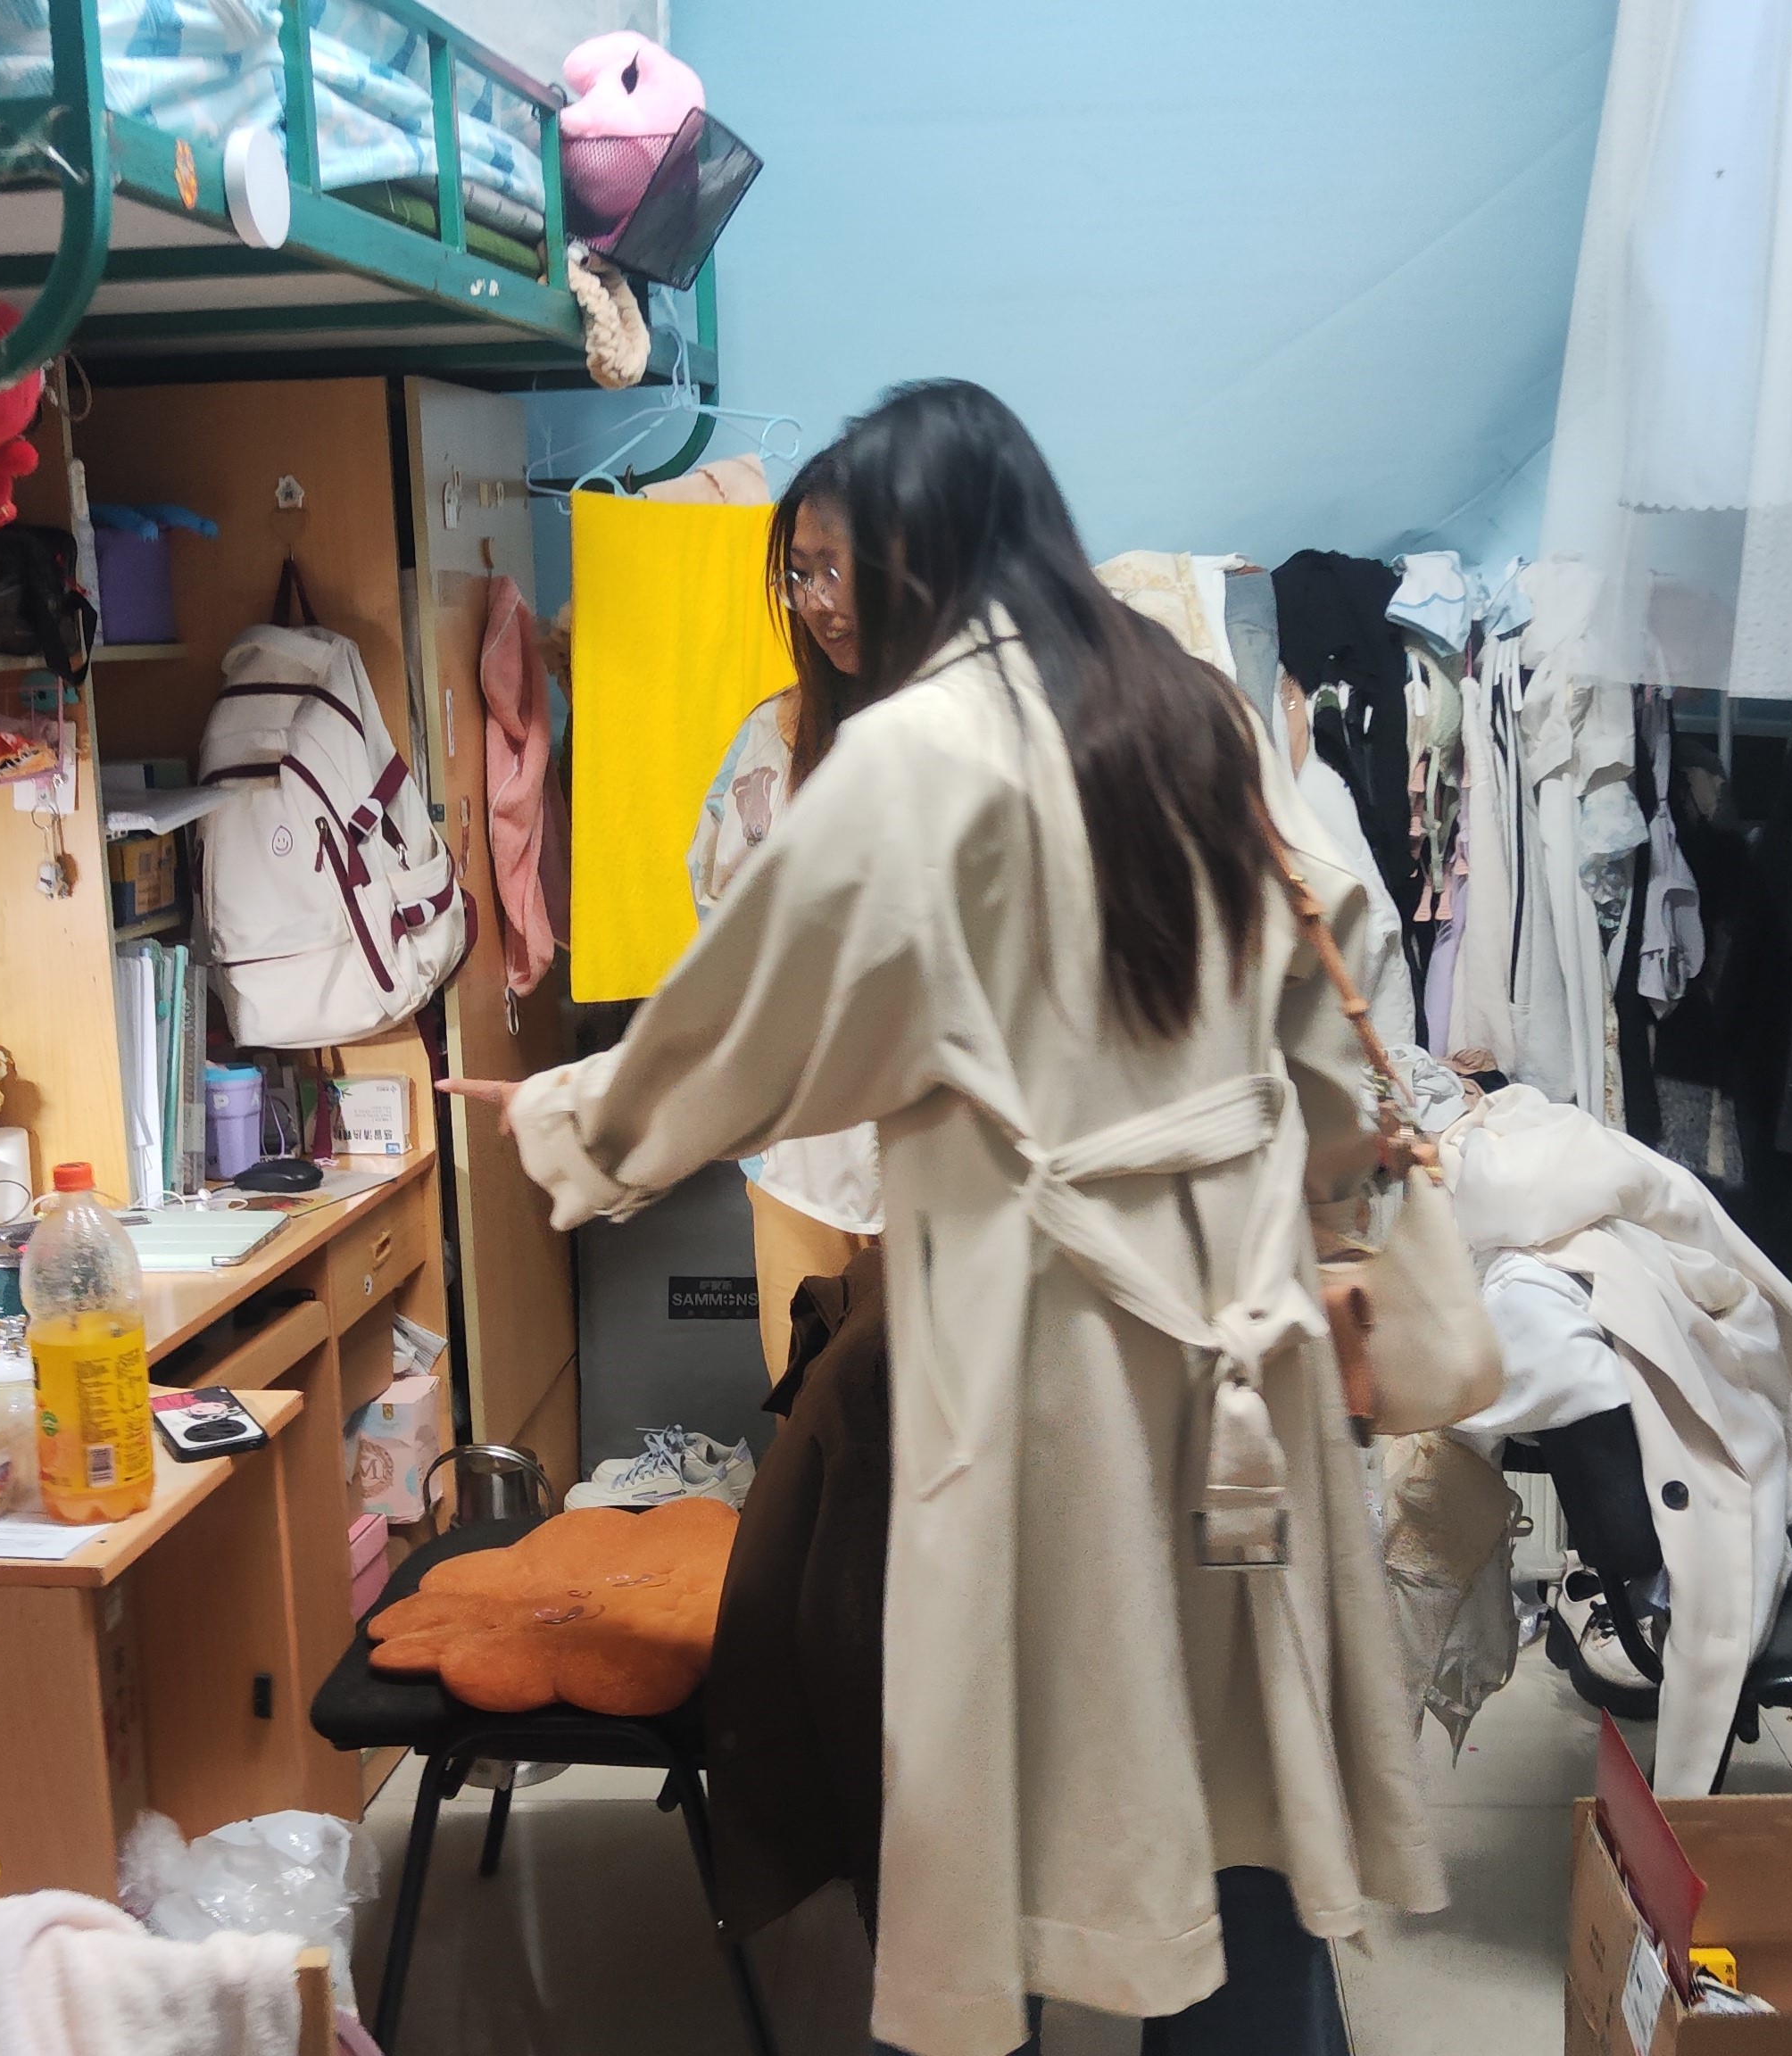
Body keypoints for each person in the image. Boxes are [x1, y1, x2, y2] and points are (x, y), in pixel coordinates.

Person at [447, 381, 1440, 2056]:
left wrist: (572, 1114)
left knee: (999, 1788)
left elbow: (757, 1019)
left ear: (920, 555)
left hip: (1054, 1350)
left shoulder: (918, 754)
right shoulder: (1186, 704)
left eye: (846, 563)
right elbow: (1328, 976)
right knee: (1238, 1772)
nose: (825, 600)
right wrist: (1339, 1222)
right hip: (1241, 1332)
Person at [684, 448, 884, 1384]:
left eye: (837, 569)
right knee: (812, 1418)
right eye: (800, 576)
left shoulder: (972, 735)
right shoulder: (772, 738)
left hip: (942, 1162)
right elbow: (718, 916)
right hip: (799, 1161)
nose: (819, 602)